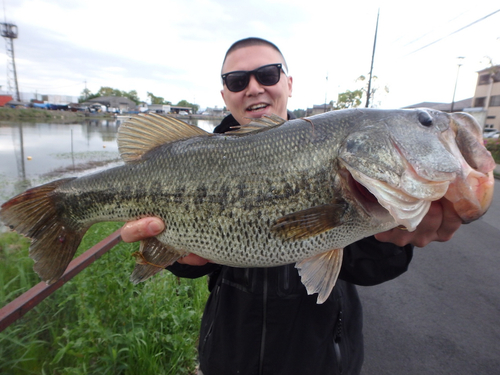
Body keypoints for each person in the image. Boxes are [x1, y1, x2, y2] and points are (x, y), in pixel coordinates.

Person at [121, 38, 463, 375]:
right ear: (224, 95)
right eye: (237, 81)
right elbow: (198, 260)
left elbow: (369, 269)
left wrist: (393, 236)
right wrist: (178, 258)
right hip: (230, 355)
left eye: (268, 74)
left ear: (288, 83)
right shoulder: (190, 157)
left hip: (324, 359)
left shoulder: (334, 150)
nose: (254, 88)